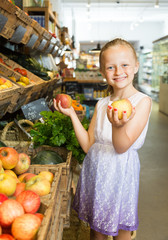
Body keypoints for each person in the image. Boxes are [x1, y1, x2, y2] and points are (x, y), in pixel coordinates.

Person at [53, 38, 152, 240]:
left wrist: (118, 126)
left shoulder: (142, 102)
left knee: (120, 231)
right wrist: (72, 114)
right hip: (96, 173)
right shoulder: (102, 103)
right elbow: (90, 146)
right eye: (110, 67)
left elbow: (121, 146)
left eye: (124, 65)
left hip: (120, 174)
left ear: (136, 67)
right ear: (102, 72)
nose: (118, 71)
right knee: (95, 230)